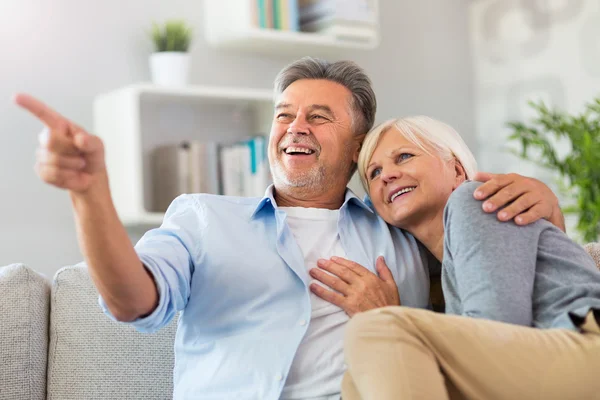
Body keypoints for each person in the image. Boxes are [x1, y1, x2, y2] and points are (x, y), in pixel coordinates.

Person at [14, 58, 565, 400]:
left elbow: (505, 285)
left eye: (319, 117)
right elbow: (133, 300)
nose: (294, 127)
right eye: (283, 114)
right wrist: (90, 198)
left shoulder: (404, 227)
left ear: (358, 148)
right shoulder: (203, 217)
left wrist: (546, 206)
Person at [338, 116, 600, 400]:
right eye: (374, 173)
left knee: (376, 329)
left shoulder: (475, 199)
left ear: (458, 170)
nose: (387, 175)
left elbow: (497, 331)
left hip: (582, 341)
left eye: (404, 157)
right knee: (355, 384)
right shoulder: (441, 262)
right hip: (547, 360)